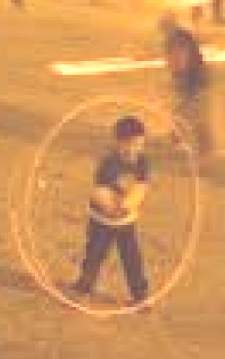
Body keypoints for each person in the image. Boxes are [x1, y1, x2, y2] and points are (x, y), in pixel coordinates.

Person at [68, 116, 152, 309]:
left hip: (126, 221)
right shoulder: (108, 164)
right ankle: (84, 287)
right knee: (95, 254)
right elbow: (101, 193)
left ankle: (140, 295)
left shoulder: (142, 161)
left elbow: (141, 187)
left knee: (132, 257)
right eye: (129, 144)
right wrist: (113, 209)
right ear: (118, 143)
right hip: (101, 219)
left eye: (139, 144)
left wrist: (129, 204)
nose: (134, 149)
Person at [160, 12, 213, 158]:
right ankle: (182, 142)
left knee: (190, 115)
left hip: (194, 82)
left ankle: (200, 147)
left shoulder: (176, 39)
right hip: (197, 81)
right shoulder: (180, 36)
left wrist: (179, 81)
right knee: (189, 114)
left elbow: (180, 62)